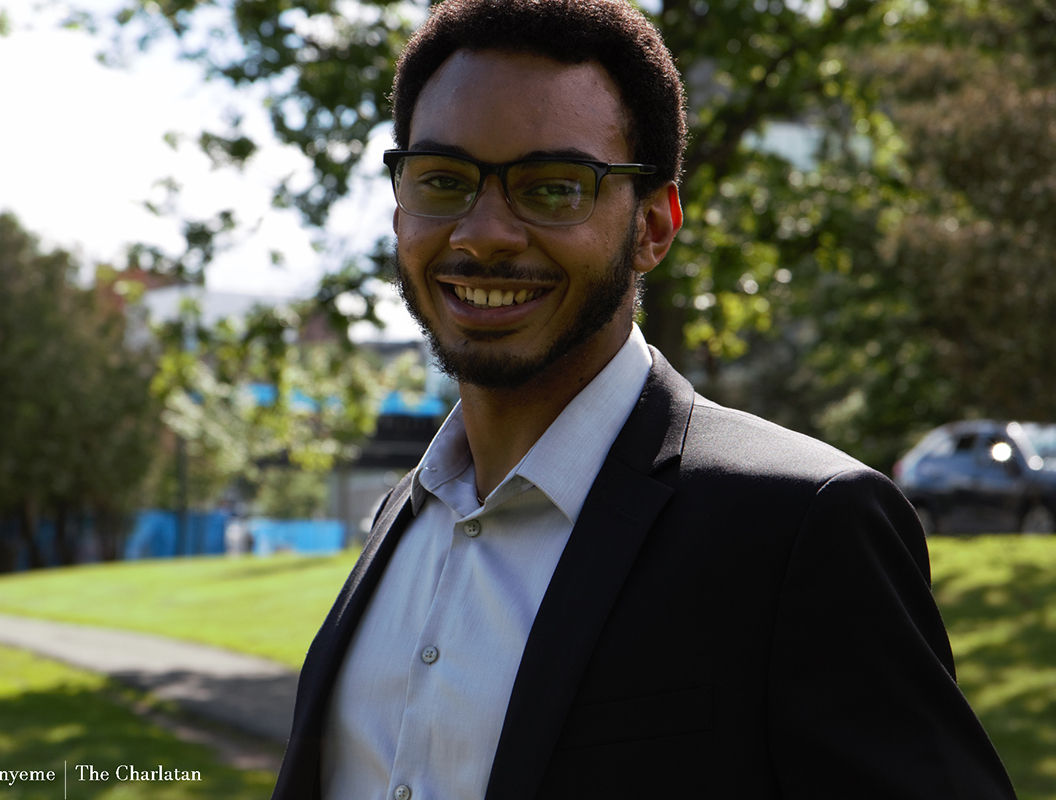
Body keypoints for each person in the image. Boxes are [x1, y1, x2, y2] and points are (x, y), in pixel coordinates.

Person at [272, 0, 1017, 797]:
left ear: (654, 226)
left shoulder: (804, 528)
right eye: (443, 181)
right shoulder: (400, 519)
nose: (483, 233)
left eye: (553, 188)